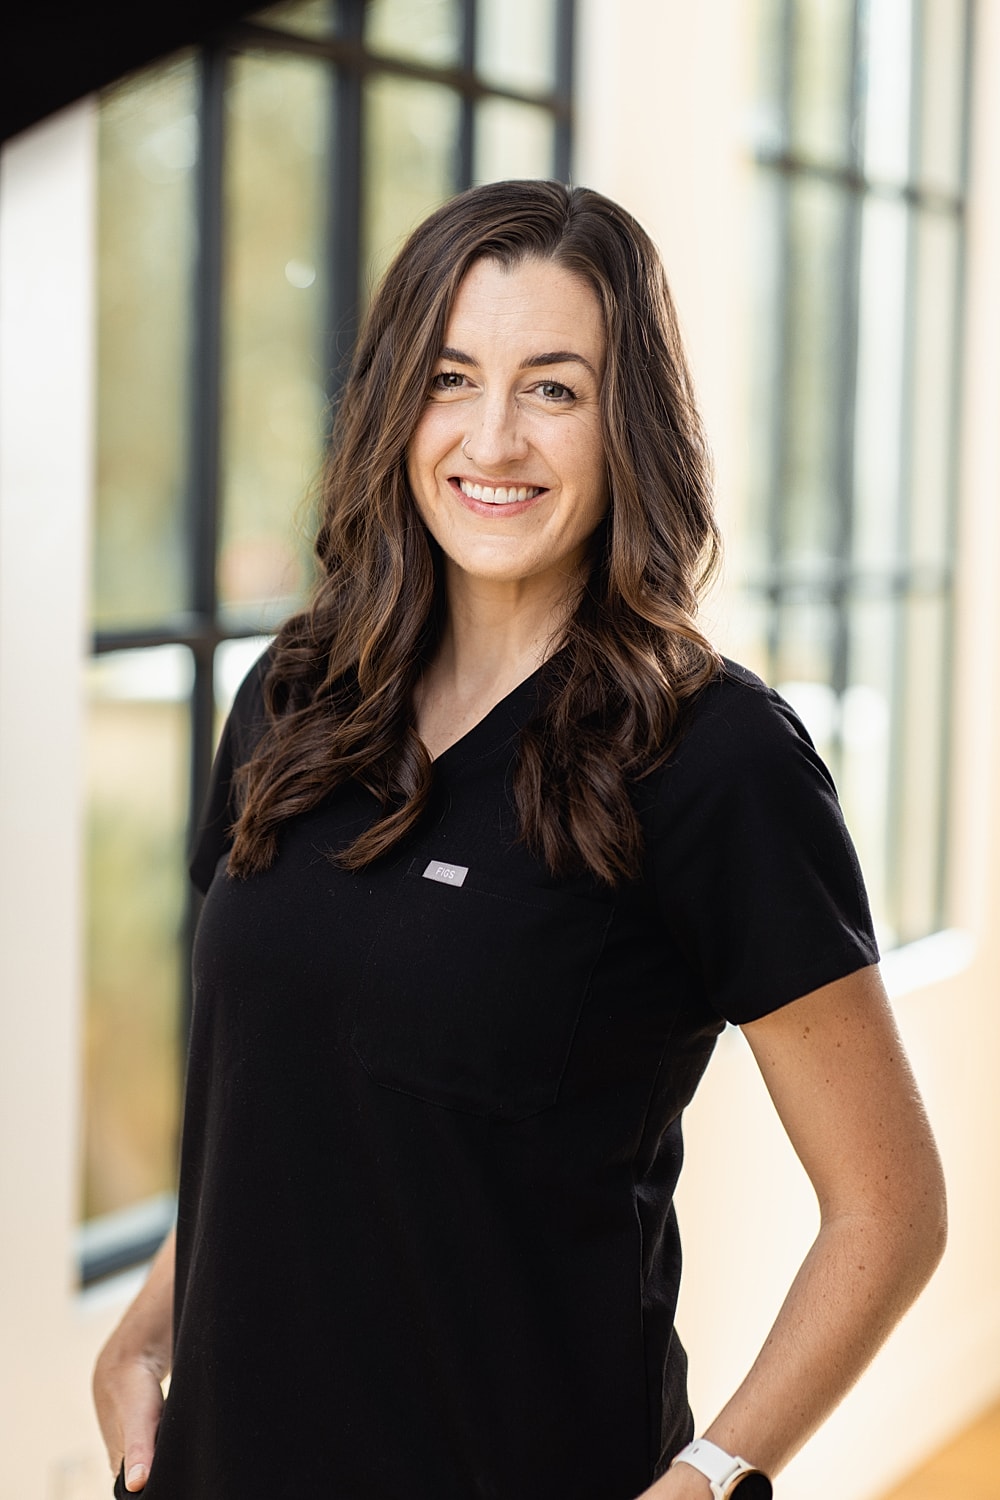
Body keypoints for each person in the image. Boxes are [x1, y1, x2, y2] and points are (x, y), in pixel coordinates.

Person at [93, 180, 946, 1500]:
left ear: (629, 425)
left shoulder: (716, 760)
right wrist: (152, 1320)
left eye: (555, 388)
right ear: (395, 405)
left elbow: (890, 1211)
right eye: (451, 377)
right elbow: (279, 1100)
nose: (494, 437)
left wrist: (708, 1477)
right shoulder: (290, 699)